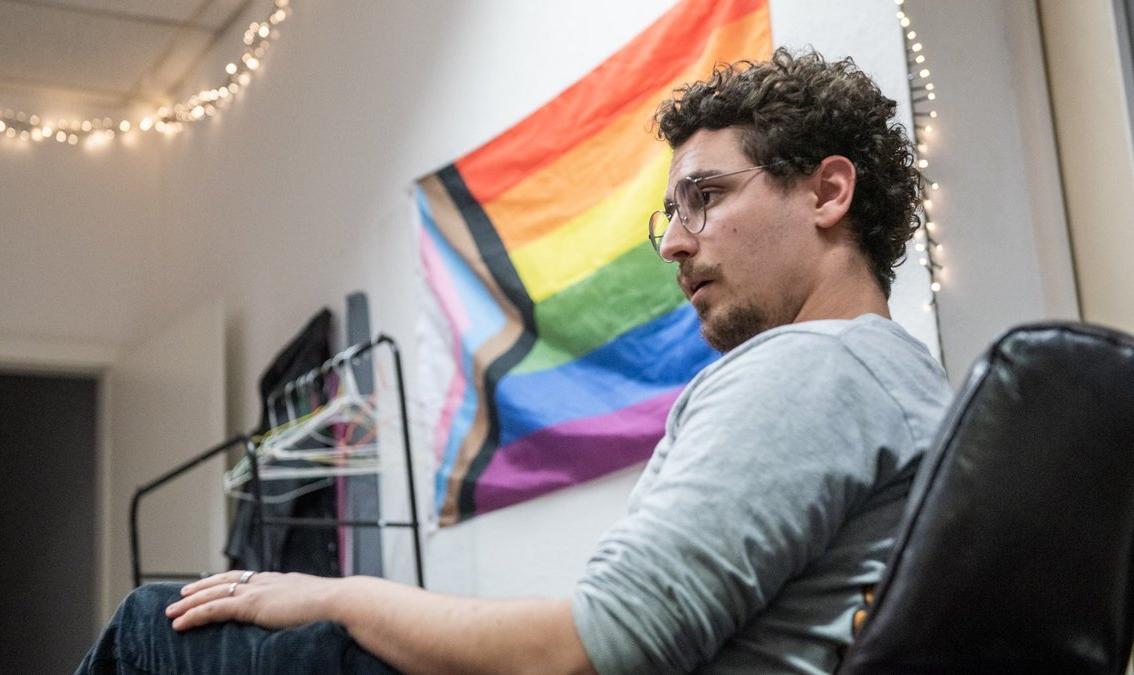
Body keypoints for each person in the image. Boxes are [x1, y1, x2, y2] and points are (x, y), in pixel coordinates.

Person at [77, 47, 952, 675]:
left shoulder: (808, 371)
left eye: (706, 199)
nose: (675, 244)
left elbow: (584, 650)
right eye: (669, 214)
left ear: (829, 192)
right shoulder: (905, 384)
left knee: (159, 625)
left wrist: (332, 593)